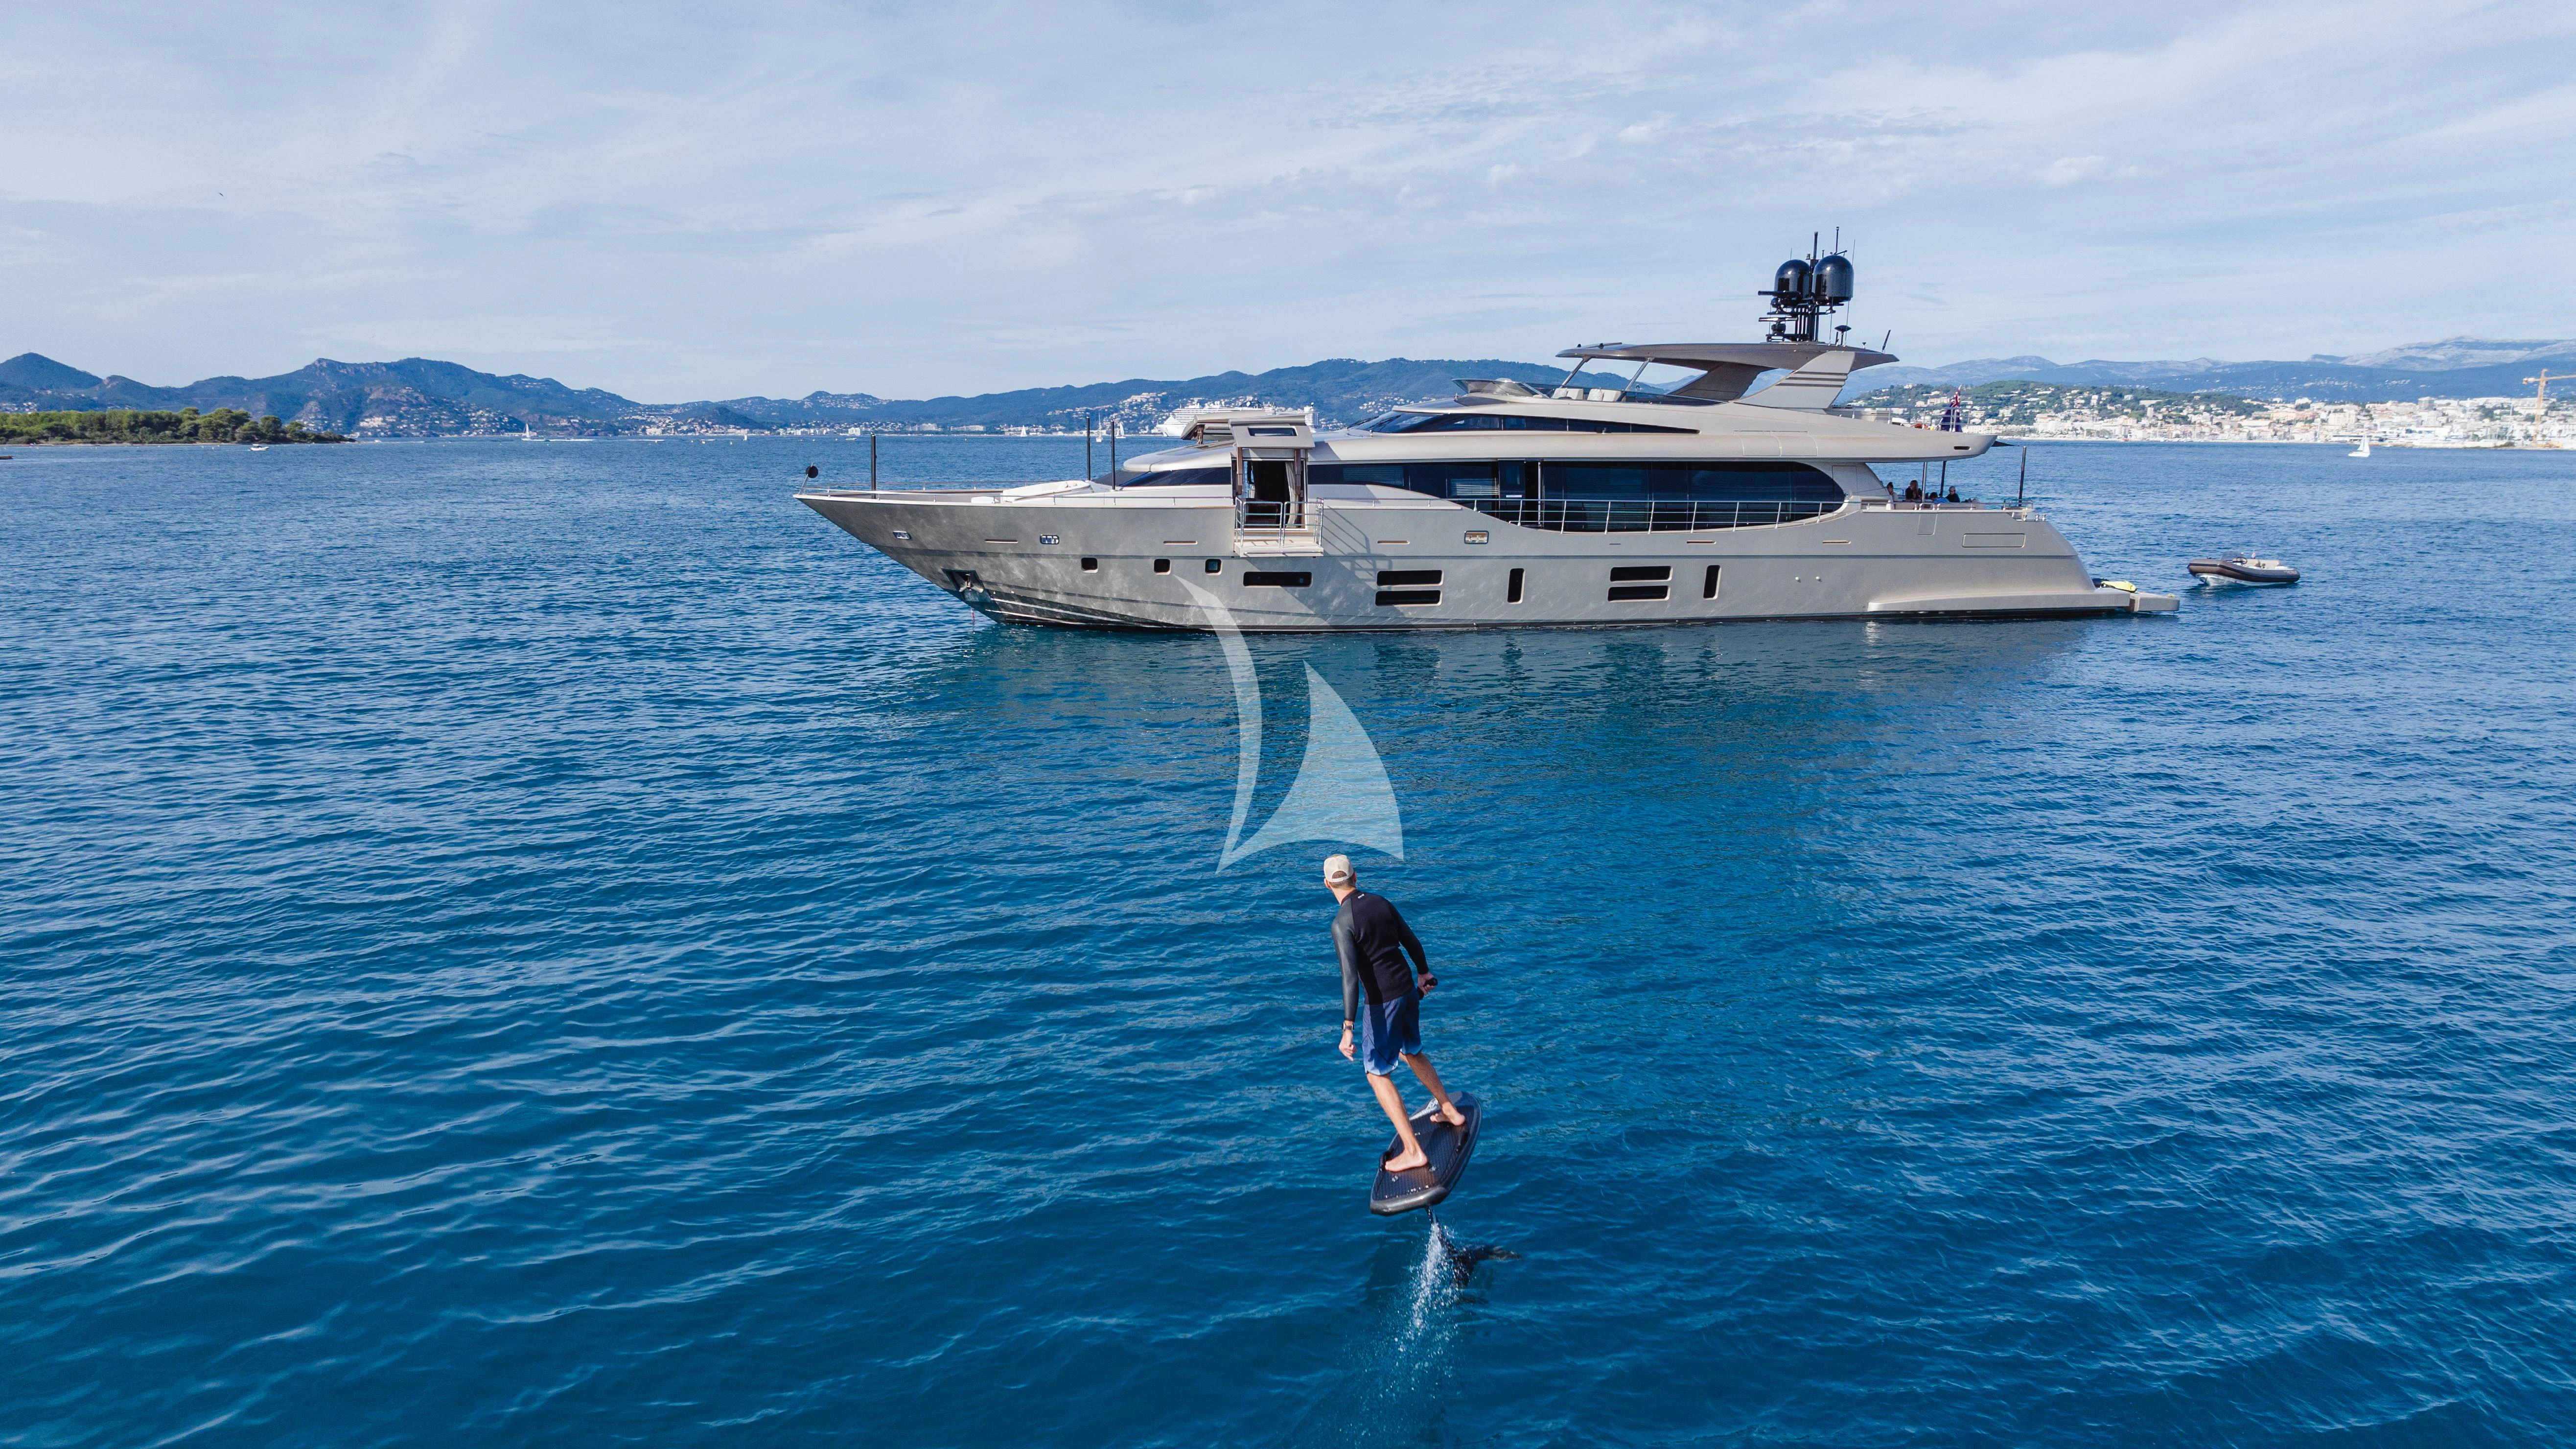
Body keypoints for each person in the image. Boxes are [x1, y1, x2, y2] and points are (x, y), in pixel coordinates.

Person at [1323, 854, 1466, 1172]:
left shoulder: (1341, 923)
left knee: (1376, 1074)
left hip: (1381, 1002)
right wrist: (1424, 974)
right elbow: (1410, 940)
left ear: (1326, 884)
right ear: (1355, 877)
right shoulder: (1380, 902)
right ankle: (1450, 1111)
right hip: (1405, 989)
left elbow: (1349, 978)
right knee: (1411, 1050)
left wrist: (1347, 1027)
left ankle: (1414, 1151)